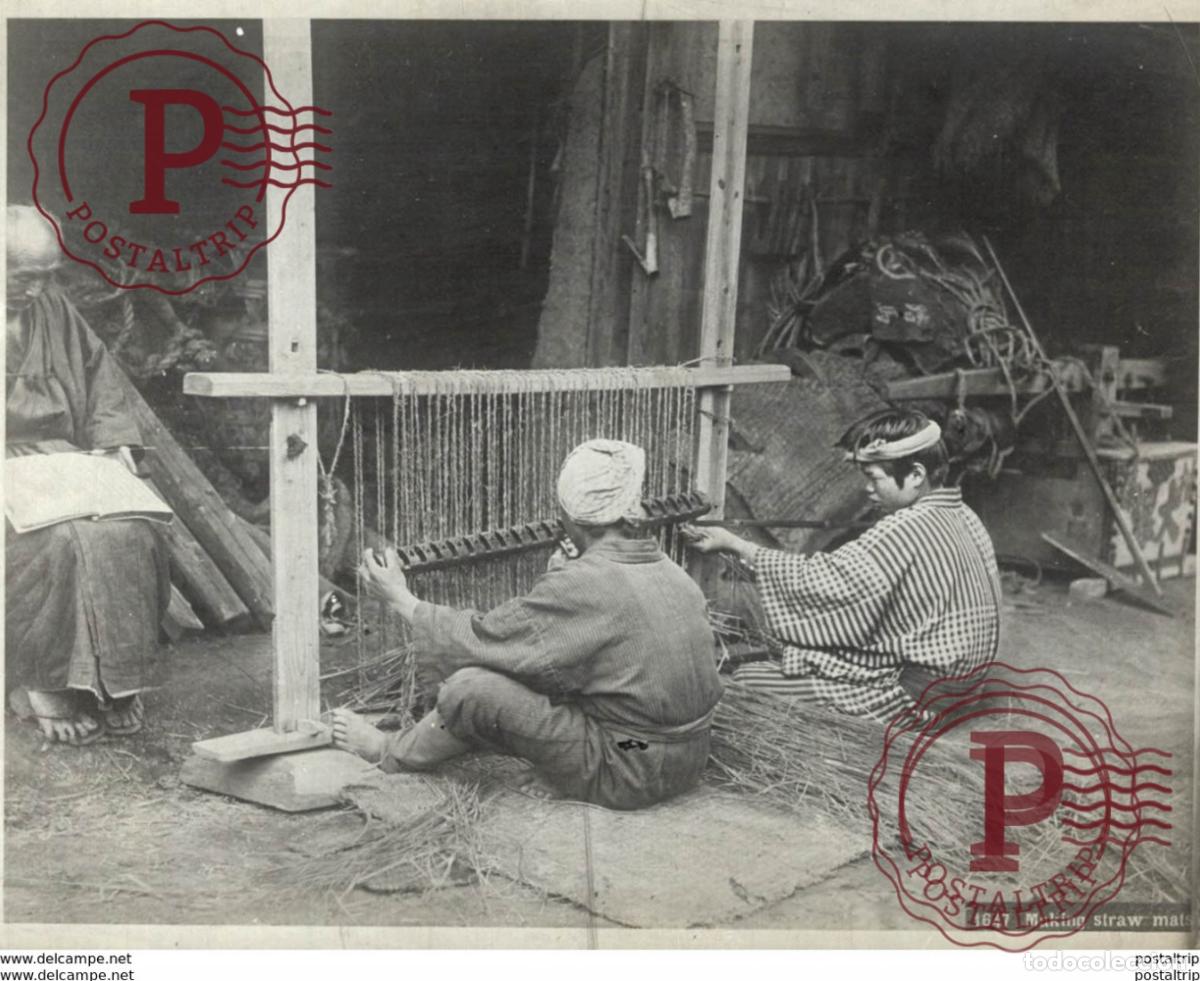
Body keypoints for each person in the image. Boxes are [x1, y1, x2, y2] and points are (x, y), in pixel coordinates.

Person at [332, 438, 723, 810]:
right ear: (632, 510)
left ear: (570, 519)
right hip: (687, 761)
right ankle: (573, 773)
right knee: (551, 670)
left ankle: (388, 752)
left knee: (472, 689)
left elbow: (486, 639)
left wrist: (400, 598)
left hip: (629, 768)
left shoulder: (583, 582)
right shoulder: (672, 572)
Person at [683, 408, 1000, 724]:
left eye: (874, 477)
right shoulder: (962, 514)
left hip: (917, 698)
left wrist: (736, 545)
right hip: (965, 687)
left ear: (916, 475)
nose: (867, 488)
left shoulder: (906, 526)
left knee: (749, 678)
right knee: (803, 655)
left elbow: (824, 583)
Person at [6, 204, 169, 745]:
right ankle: (42, 685)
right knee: (55, 540)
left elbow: (99, 372)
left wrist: (113, 442)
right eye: (22, 277)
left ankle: (117, 684)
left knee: (129, 529)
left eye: (46, 277)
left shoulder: (51, 305)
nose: (35, 290)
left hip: (64, 459)